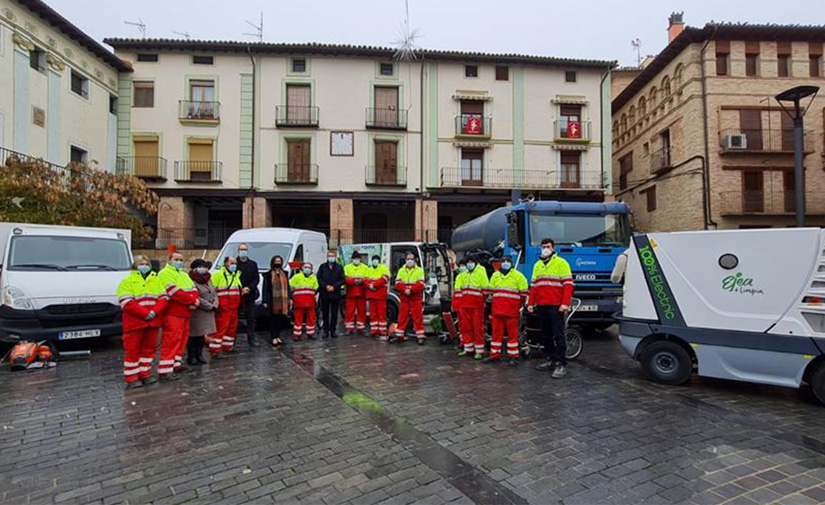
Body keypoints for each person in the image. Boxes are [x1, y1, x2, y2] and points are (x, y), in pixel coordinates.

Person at [117, 255, 167, 388]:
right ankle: (132, 377)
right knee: (132, 351)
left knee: (148, 350)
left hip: (152, 322)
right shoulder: (127, 281)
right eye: (141, 264)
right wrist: (145, 313)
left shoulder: (156, 280)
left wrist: (154, 312)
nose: (144, 266)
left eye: (146, 264)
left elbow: (163, 298)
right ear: (135, 266)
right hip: (135, 323)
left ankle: (145, 373)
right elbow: (126, 302)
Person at [528, 238, 574, 378]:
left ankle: (561, 364)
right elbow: (534, 287)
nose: (545, 249)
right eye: (543, 247)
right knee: (545, 335)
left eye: (547, 246)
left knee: (558, 335)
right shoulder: (537, 265)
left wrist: (565, 303)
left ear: (553, 248)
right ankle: (550, 359)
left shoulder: (561, 263)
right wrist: (530, 303)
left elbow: (568, 285)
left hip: (556, 306)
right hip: (542, 305)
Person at [157, 252, 199, 380]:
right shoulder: (164, 274)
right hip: (173, 313)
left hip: (185, 312)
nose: (179, 262)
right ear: (169, 260)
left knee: (182, 339)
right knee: (171, 340)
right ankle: (165, 370)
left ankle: (176, 364)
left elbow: (193, 289)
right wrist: (192, 301)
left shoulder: (184, 275)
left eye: (181, 259)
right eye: (177, 259)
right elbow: (174, 292)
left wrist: (194, 301)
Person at [486, 256, 528, 366]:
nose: (505, 263)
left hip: (511, 311)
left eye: (507, 261)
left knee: (512, 335)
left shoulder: (518, 276)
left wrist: (517, 306)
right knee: (495, 335)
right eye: (503, 261)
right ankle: (494, 355)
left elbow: (523, 294)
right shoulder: (495, 276)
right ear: (500, 263)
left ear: (511, 263)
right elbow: (491, 292)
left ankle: (513, 357)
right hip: (497, 311)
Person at [187, 259, 218, 366]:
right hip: (198, 311)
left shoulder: (208, 279)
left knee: (201, 335)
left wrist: (215, 303)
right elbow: (196, 297)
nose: (203, 269)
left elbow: (214, 292)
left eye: (205, 267)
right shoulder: (191, 280)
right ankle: (192, 356)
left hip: (208, 311)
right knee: (193, 335)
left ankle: (199, 355)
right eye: (201, 267)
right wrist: (209, 305)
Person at [210, 256, 242, 357]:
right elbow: (212, 290)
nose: (234, 265)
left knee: (231, 328)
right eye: (232, 263)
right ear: (226, 263)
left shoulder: (235, 275)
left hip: (234, 307)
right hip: (224, 308)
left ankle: (227, 347)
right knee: (221, 329)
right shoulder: (219, 274)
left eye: (235, 263)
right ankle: (215, 350)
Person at [459, 255, 488, 360]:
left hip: (476, 305)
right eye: (468, 262)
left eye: (472, 262)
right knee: (466, 328)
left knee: (477, 328)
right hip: (465, 304)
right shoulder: (464, 274)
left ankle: (479, 351)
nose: (469, 264)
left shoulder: (481, 272)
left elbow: (485, 290)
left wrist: (480, 301)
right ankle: (468, 349)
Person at [392, 252, 425, 344]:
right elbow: (397, 283)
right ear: (405, 260)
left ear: (415, 260)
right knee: (402, 317)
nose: (409, 261)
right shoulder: (401, 270)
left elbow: (421, 284)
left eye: (411, 259)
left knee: (417, 317)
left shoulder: (419, 270)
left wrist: (411, 290)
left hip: (415, 298)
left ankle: (420, 336)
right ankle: (400, 336)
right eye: (408, 259)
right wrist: (405, 289)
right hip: (404, 298)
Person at [236, 243, 261, 348]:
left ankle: (251, 339)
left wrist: (249, 288)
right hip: (237, 296)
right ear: (238, 250)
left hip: (250, 295)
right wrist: (240, 289)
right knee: (234, 319)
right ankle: (232, 341)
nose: (243, 251)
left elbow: (256, 278)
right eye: (241, 249)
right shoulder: (234, 264)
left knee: (251, 318)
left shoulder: (253, 264)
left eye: (245, 249)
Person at [316, 251, 345, 339]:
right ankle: (325, 330)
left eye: (332, 256)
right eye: (329, 256)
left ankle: (333, 330)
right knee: (325, 313)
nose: (331, 257)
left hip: (335, 293)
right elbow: (319, 278)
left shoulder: (339, 267)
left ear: (335, 257)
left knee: (334, 313)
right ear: (327, 257)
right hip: (324, 293)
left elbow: (342, 279)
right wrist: (326, 286)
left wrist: (334, 287)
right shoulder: (322, 266)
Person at [262, 255, 290, 346]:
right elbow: (265, 288)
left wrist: (290, 298)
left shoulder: (284, 273)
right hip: (272, 300)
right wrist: (265, 301)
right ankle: (273, 337)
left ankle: (278, 336)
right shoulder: (268, 274)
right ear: (273, 262)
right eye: (276, 261)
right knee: (273, 319)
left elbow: (288, 287)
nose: (277, 263)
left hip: (283, 300)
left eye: (279, 261)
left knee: (281, 319)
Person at [289, 262, 319, 340]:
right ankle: (297, 335)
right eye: (305, 267)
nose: (307, 269)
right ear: (302, 268)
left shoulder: (314, 278)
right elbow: (290, 287)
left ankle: (310, 333)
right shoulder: (296, 277)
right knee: (298, 319)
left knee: (311, 318)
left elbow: (316, 288)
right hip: (299, 302)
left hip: (310, 302)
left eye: (309, 268)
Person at [364, 254, 391, 340]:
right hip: (372, 295)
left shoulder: (383, 268)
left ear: (378, 261)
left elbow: (385, 278)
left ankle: (382, 331)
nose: (374, 261)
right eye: (373, 260)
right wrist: (369, 285)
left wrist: (374, 284)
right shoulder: (368, 269)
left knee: (381, 314)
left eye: (376, 260)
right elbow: (364, 280)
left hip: (380, 295)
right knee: (373, 314)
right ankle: (374, 331)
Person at [344, 251, 368, 335]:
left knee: (362, 311)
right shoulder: (347, 268)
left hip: (361, 293)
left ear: (360, 259)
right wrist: (354, 281)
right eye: (355, 258)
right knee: (350, 311)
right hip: (351, 293)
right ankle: (349, 328)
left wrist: (361, 281)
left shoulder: (365, 267)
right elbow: (345, 279)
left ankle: (361, 328)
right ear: (352, 259)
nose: (356, 260)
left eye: (357, 258)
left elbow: (367, 279)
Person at [452, 259, 468, 349]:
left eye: (463, 265)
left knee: (466, 326)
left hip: (465, 306)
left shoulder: (468, 277)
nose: (461, 267)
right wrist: (454, 305)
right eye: (460, 265)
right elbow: (456, 292)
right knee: (461, 326)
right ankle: (463, 341)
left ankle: (467, 342)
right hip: (459, 305)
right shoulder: (458, 277)